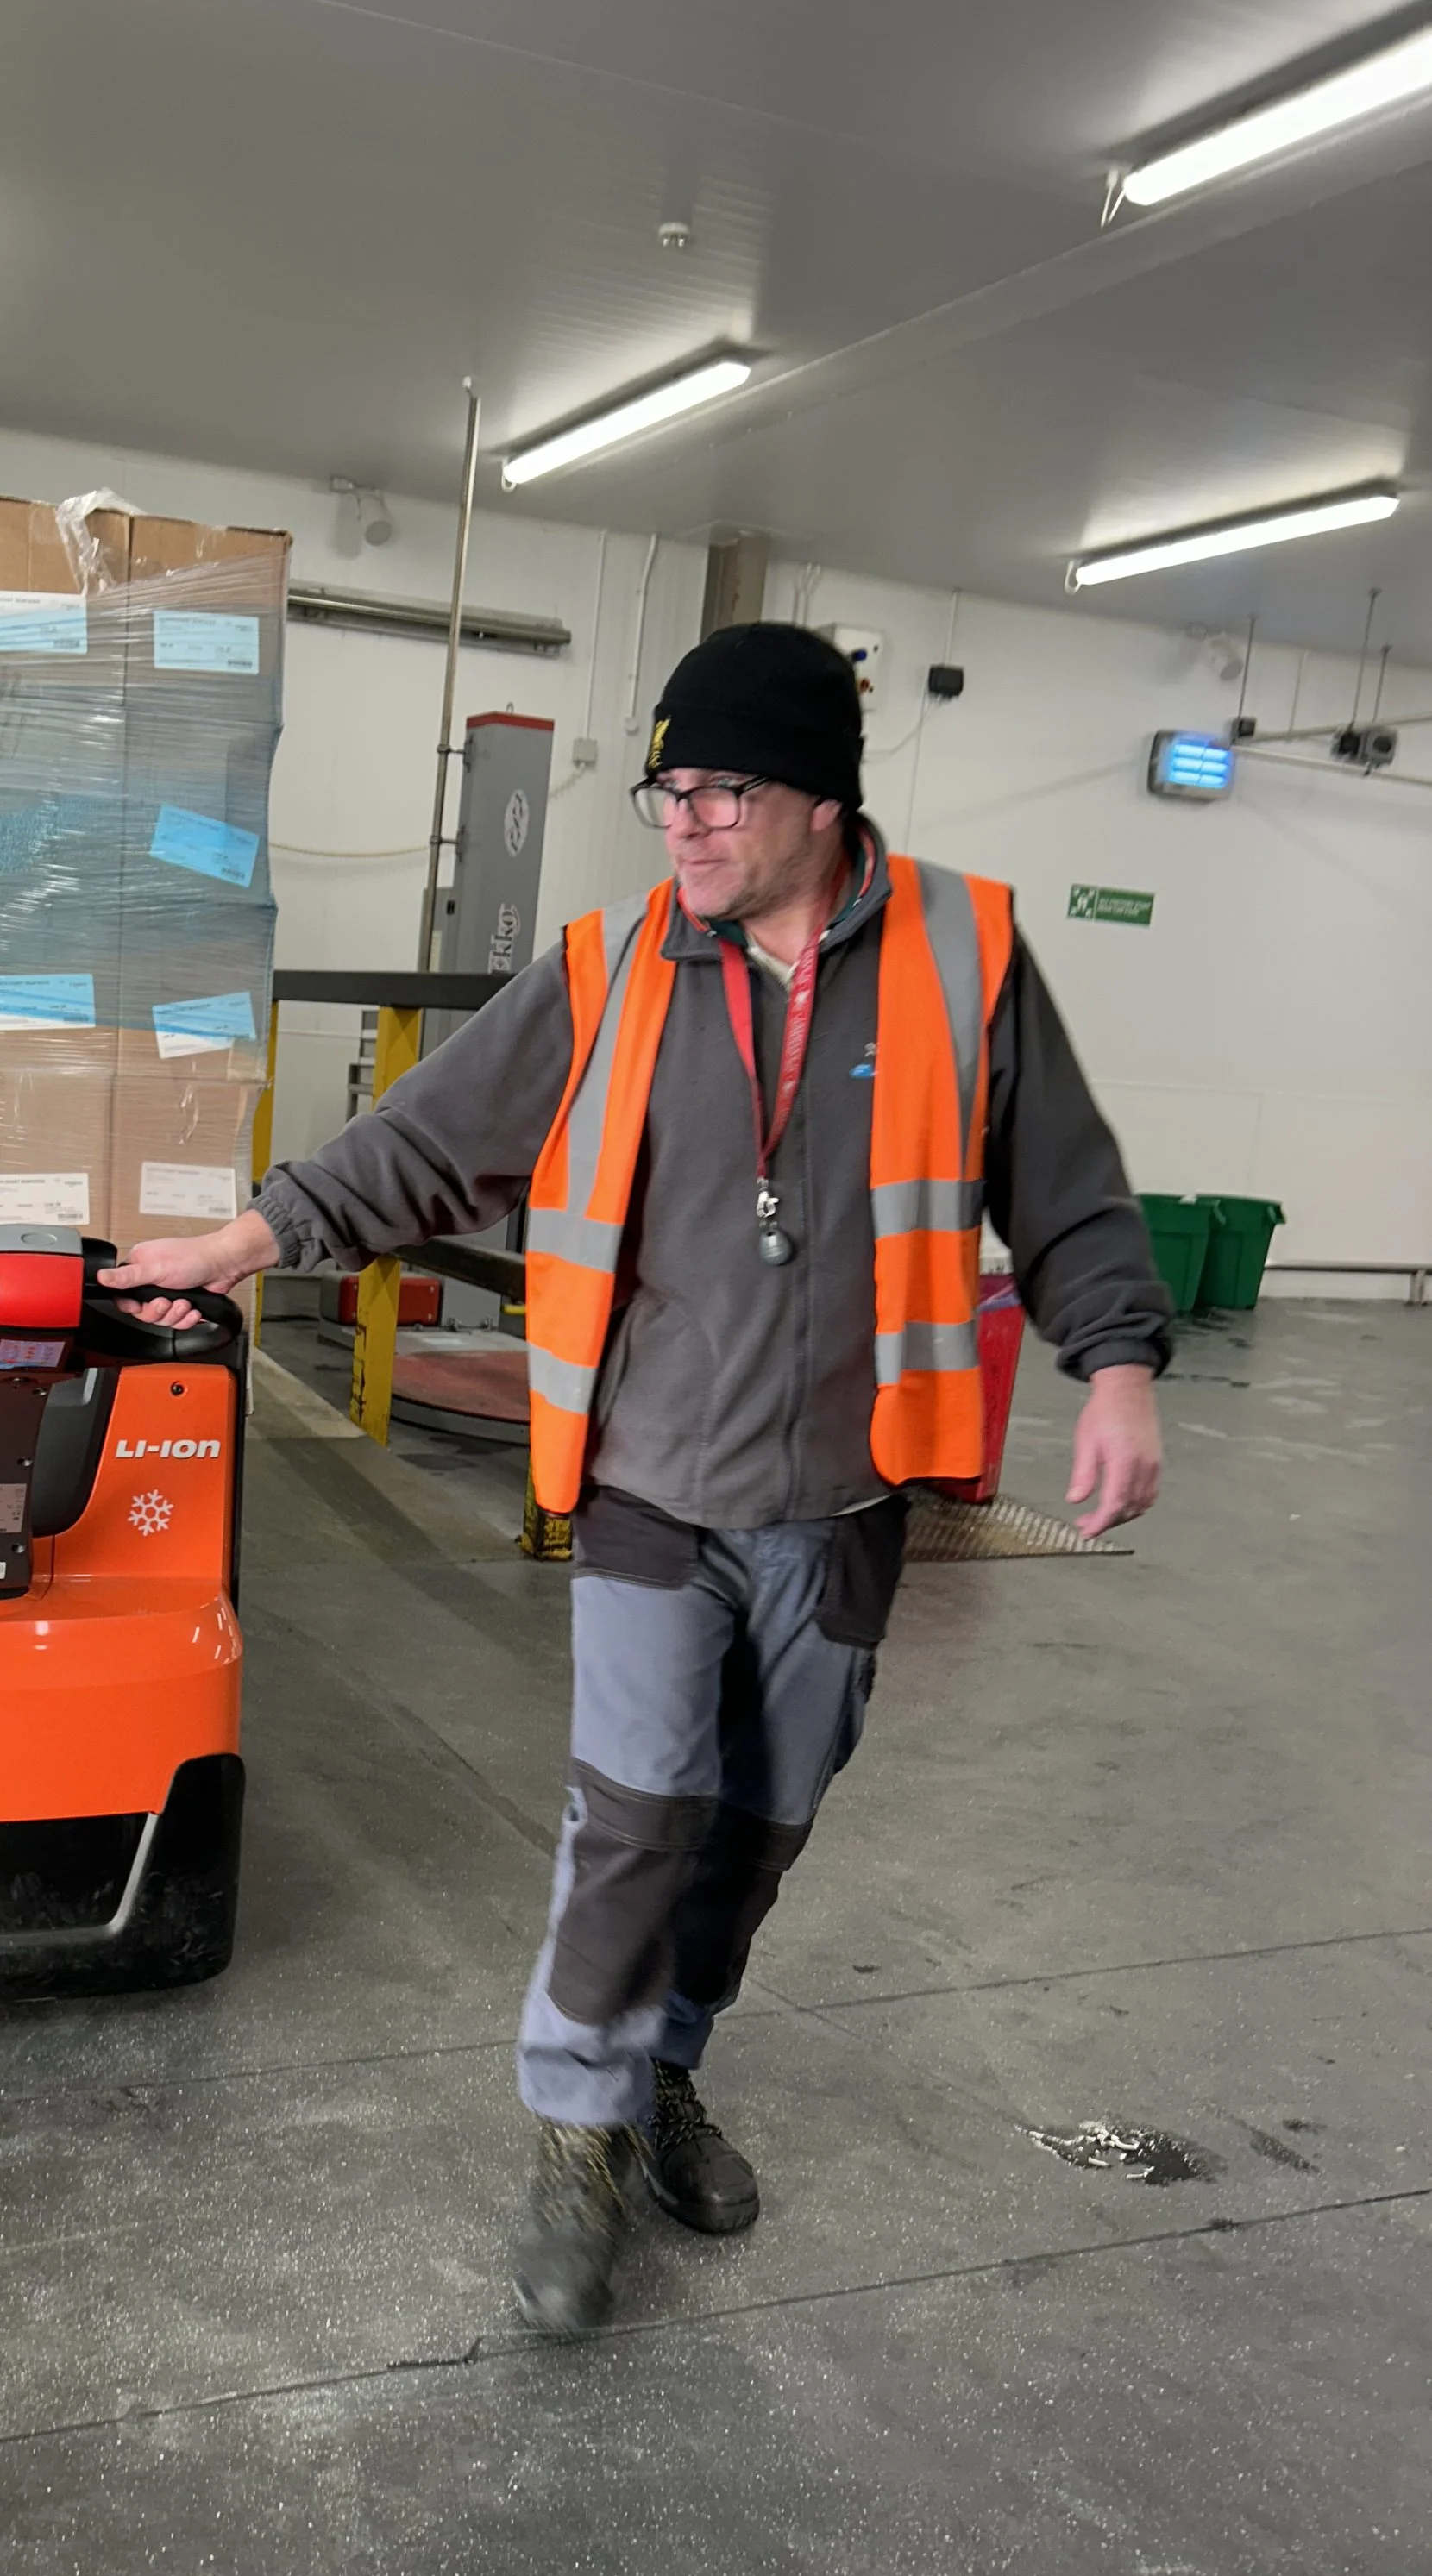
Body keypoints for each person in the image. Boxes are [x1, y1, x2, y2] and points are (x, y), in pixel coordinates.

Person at [104, 621, 1171, 2338]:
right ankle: (576, 2132)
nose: (678, 823)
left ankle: (664, 2064)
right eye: (664, 788)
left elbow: (1061, 1182)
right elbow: (429, 1139)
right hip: (648, 1491)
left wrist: (1111, 1357)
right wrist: (243, 1238)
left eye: (718, 789)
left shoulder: (964, 957)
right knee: (633, 1819)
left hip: (842, 1502)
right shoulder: (608, 970)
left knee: (758, 1822)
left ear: (820, 799)